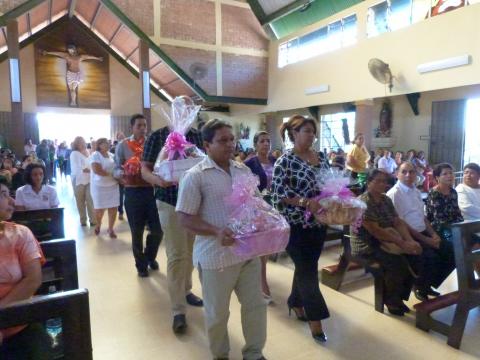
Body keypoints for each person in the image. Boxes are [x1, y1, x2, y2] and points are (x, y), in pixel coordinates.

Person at [176, 119, 267, 360]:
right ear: (207, 145)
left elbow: (256, 204)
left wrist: (266, 221)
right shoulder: (195, 176)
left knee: (255, 307)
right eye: (222, 140)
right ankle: (220, 355)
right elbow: (185, 218)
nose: (230, 145)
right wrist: (216, 231)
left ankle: (254, 354)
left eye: (231, 139)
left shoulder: (243, 170)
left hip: (248, 253)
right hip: (216, 258)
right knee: (217, 314)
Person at [271, 115, 330, 343]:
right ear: (294, 134)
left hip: (318, 224)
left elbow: (328, 183)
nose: (311, 135)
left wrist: (336, 197)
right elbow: (278, 194)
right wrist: (305, 202)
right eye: (306, 131)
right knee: (307, 271)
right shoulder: (284, 161)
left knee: (307, 266)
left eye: (313, 131)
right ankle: (316, 321)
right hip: (295, 225)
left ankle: (295, 302)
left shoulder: (321, 157)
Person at [142, 121, 204, 334]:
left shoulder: (197, 136)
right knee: (177, 254)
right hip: (168, 200)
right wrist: (158, 180)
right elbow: (145, 169)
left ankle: (185, 289)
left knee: (191, 252)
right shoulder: (157, 136)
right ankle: (178, 310)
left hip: (195, 203)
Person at [351, 169, 422, 315]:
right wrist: (402, 244)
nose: (383, 184)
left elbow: (397, 221)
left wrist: (409, 240)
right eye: (378, 181)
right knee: (397, 263)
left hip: (388, 240)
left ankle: (398, 297)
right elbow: (375, 231)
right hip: (368, 244)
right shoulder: (362, 202)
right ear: (369, 182)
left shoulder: (385, 199)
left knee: (416, 256)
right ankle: (391, 301)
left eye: (384, 181)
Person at [0, 177, 52, 359]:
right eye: (3, 195)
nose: (12, 201)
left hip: (19, 324)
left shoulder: (20, 234)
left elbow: (33, 279)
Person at [387, 162, 453, 301]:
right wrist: (426, 240)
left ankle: (428, 284)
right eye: (404, 172)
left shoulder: (415, 191)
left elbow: (422, 217)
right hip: (407, 235)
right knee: (431, 257)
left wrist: (434, 234)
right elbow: (401, 224)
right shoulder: (395, 194)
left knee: (451, 252)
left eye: (411, 172)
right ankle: (420, 287)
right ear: (397, 174)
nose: (408, 175)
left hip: (423, 232)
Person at [115, 114, 163, 278]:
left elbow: (160, 164)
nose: (143, 129)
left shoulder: (153, 142)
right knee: (136, 231)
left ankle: (150, 256)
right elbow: (116, 167)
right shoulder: (123, 145)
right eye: (139, 126)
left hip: (152, 190)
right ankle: (140, 265)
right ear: (132, 127)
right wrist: (123, 173)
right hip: (132, 191)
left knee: (157, 229)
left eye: (144, 125)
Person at [244, 131, 276, 302]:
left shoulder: (275, 161)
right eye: (262, 141)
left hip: (273, 208)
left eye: (268, 140)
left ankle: (258, 277)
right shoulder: (249, 163)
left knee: (267, 247)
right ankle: (262, 283)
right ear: (256, 144)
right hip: (256, 209)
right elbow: (243, 188)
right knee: (260, 248)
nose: (266, 144)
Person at [90, 138, 119, 238]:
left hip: (113, 185)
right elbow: (96, 170)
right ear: (99, 145)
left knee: (113, 208)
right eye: (104, 143)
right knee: (99, 209)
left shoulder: (112, 155)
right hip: (99, 186)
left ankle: (110, 229)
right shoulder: (95, 155)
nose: (107, 144)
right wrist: (112, 174)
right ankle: (98, 224)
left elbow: (118, 167)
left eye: (108, 143)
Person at [70, 136, 95, 227]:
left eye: (83, 142)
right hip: (78, 181)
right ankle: (83, 220)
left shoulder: (87, 152)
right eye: (80, 143)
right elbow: (76, 168)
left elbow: (91, 164)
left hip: (89, 179)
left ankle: (93, 220)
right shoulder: (74, 153)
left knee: (90, 200)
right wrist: (88, 169)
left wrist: (90, 169)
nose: (82, 144)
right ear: (76, 144)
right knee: (80, 201)